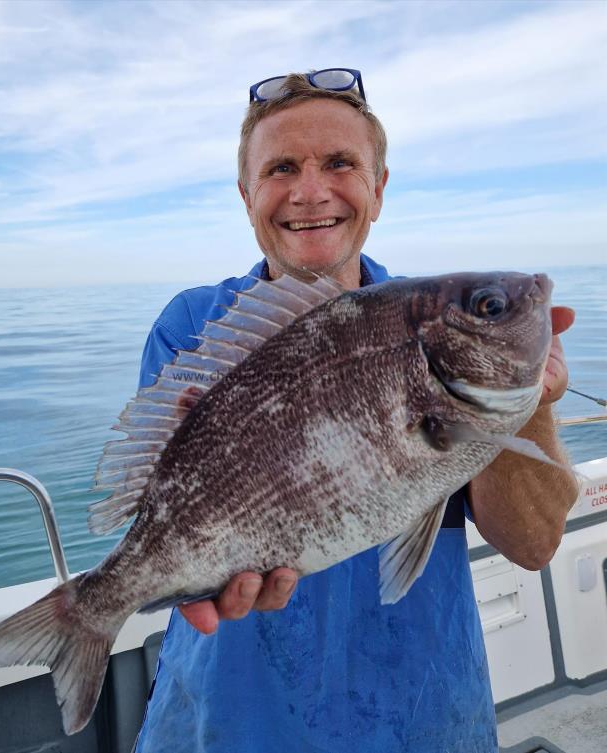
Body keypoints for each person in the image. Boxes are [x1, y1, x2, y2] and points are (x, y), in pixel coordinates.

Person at [133, 70, 578, 753]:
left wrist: (530, 400)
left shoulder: (436, 329)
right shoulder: (193, 327)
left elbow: (533, 544)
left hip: (421, 718)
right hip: (227, 725)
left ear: (379, 186)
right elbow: (161, 510)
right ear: (247, 193)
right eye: (282, 168)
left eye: (340, 163)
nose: (311, 191)